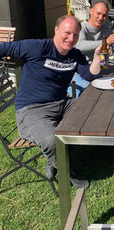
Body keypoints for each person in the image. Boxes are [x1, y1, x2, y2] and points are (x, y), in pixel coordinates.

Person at [0, 15, 103, 189]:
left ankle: (54, 160)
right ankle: (69, 170)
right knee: (50, 140)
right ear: (56, 30)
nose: (71, 39)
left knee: (93, 114)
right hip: (31, 110)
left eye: (75, 35)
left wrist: (97, 56)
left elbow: (89, 75)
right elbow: (3, 48)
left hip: (62, 103)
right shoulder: (35, 47)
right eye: (67, 33)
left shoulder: (74, 55)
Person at [71, 1, 114, 96]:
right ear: (91, 11)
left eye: (104, 15)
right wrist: (105, 42)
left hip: (102, 67)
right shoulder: (81, 27)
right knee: (93, 96)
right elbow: (80, 46)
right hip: (82, 71)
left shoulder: (105, 28)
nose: (101, 18)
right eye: (98, 13)